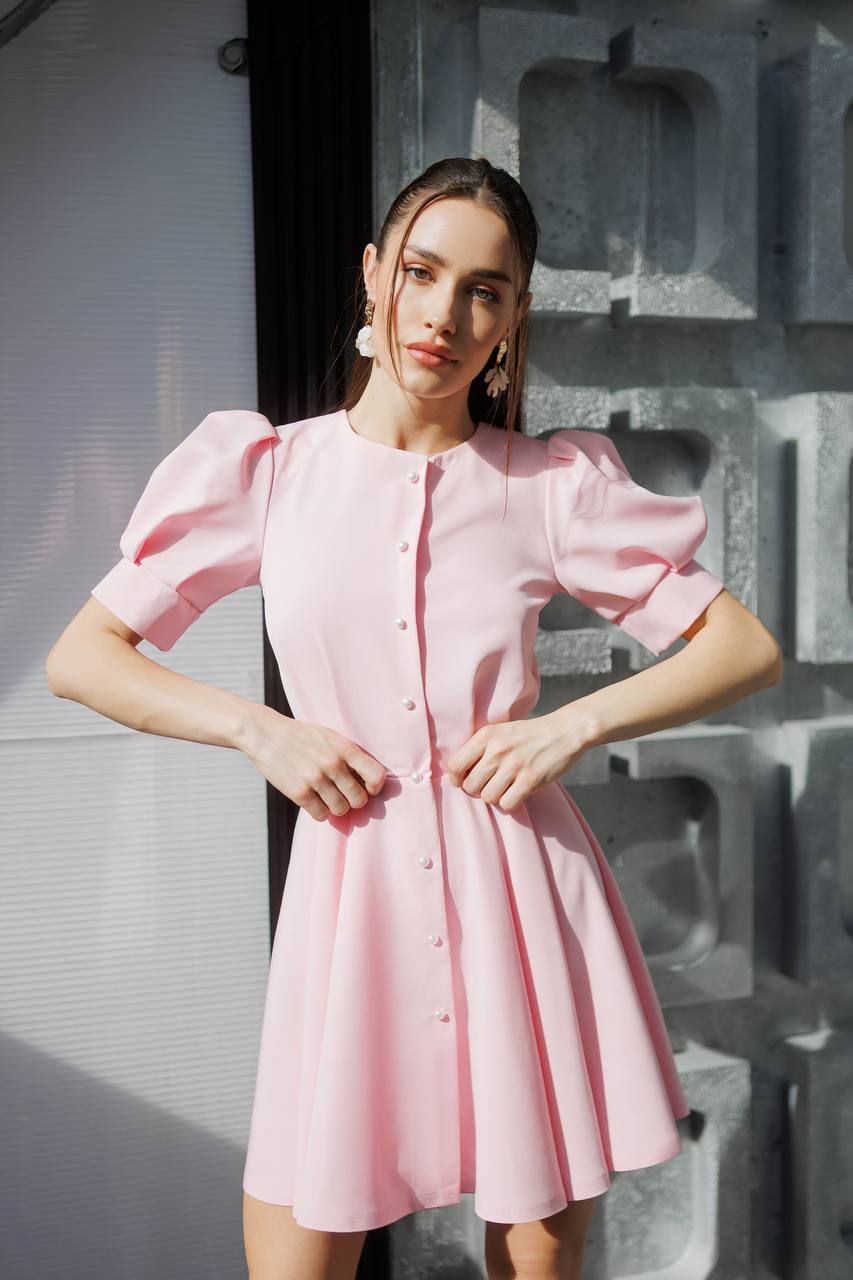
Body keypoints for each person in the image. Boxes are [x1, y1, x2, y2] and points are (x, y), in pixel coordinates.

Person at [47, 156, 782, 1280]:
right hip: (351, 904)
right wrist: (263, 729)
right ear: (372, 274)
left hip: (521, 894)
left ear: (514, 314)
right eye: (424, 272)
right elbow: (83, 657)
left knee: (537, 1255)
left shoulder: (550, 485)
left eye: (485, 289)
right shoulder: (266, 472)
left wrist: (564, 729)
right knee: (299, 1251)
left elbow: (743, 645)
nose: (444, 314)